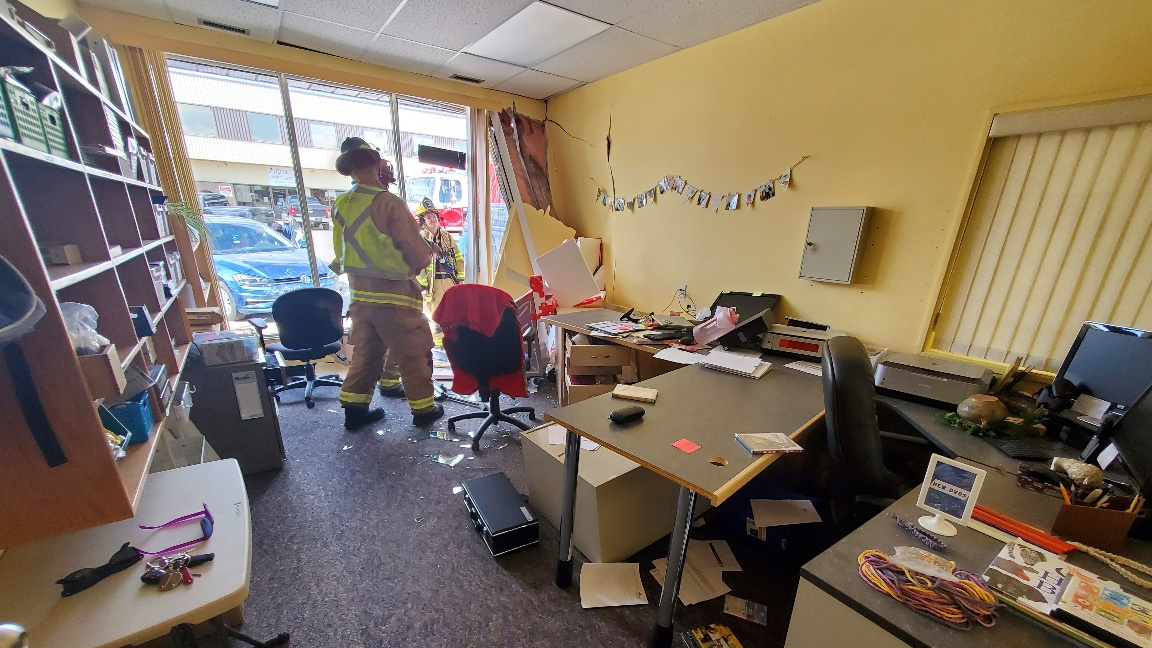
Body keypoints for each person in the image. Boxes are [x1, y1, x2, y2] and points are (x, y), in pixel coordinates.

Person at [330, 137, 444, 429]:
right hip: (394, 297)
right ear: (375, 164)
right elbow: (416, 251)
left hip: (360, 297)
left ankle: (355, 413)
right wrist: (424, 261)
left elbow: (341, 253)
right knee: (414, 352)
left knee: (367, 354)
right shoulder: (388, 203)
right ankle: (423, 411)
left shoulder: (341, 204)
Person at [416, 197, 464, 314]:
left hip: (450, 281)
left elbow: (458, 258)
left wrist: (460, 279)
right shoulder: (420, 239)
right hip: (433, 284)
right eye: (428, 217)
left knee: (452, 311)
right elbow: (417, 265)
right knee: (437, 314)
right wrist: (423, 287)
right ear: (423, 221)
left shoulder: (447, 237)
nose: (433, 219)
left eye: (434, 216)